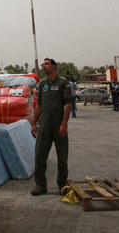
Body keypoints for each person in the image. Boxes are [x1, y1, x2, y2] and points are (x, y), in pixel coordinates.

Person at [30, 58, 72, 196]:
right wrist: (33, 122)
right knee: (40, 155)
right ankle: (40, 185)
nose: (44, 66)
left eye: (47, 64)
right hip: (45, 125)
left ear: (54, 66)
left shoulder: (63, 83)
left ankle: (62, 184)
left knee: (62, 156)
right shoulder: (42, 85)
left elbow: (68, 104)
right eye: (43, 64)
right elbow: (38, 106)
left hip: (59, 125)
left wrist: (64, 124)